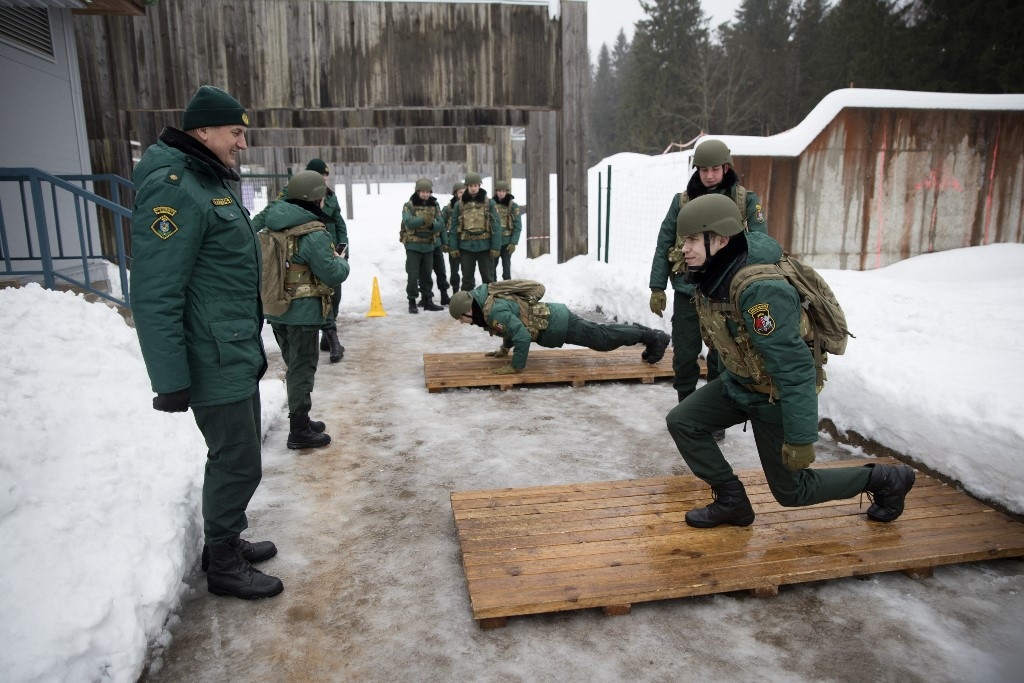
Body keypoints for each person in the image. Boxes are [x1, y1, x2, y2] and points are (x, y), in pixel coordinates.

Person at [664, 194, 915, 529]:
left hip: (775, 396)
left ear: (721, 240)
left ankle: (886, 479)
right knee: (684, 421)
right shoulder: (714, 272)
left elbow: (795, 369)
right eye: (685, 240)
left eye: (693, 239)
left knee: (794, 491)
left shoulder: (760, 291)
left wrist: (800, 439)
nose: (685, 248)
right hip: (741, 384)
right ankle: (732, 502)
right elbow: (728, 341)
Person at [130, 85, 282, 600]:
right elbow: (155, 291)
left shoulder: (205, 180)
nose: (242, 143)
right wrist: (170, 380)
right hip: (210, 354)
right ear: (203, 131)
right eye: (235, 133)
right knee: (236, 457)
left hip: (231, 348)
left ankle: (226, 539)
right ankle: (221, 562)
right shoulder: (175, 188)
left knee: (238, 456)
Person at [648, 138, 769, 441]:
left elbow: (759, 243)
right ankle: (687, 404)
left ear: (726, 167)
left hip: (726, 292)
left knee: (722, 354)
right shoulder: (682, 201)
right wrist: (657, 286)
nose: (710, 175)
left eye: (716, 169)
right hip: (688, 289)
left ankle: (715, 413)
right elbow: (665, 241)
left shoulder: (745, 201)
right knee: (685, 351)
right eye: (704, 169)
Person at [258, 171, 350, 449]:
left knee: (293, 362)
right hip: (303, 312)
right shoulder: (313, 233)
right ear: (316, 200)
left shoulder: (269, 221)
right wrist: (341, 261)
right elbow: (332, 273)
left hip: (275, 308)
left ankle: (302, 418)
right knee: (302, 367)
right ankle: (298, 430)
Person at [449, 285, 670, 374]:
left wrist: (515, 367)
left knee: (602, 340)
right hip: (554, 319)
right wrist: (504, 349)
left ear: (469, 310)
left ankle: (651, 336)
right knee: (601, 333)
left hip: (558, 324)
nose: (462, 322)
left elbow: (522, 337)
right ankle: (643, 333)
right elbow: (511, 327)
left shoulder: (493, 312)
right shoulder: (488, 308)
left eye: (461, 318)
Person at [306, 159, 349, 363]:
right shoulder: (299, 196)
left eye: (326, 175)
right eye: (321, 175)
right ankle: (333, 341)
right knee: (323, 298)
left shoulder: (331, 197)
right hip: (313, 254)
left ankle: (326, 337)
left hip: (332, 254)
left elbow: (339, 223)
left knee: (336, 296)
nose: (324, 178)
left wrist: (344, 247)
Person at [448, 171, 501, 291]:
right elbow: (454, 227)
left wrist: (496, 246)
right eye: (471, 186)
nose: (473, 188)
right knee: (467, 280)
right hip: (466, 247)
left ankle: (490, 306)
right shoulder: (459, 205)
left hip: (485, 246)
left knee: (488, 279)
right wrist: (454, 247)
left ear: (479, 186)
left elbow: (496, 226)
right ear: (467, 187)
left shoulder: (489, 203)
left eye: (475, 185)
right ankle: (467, 307)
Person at [401, 178, 445, 314]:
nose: (425, 194)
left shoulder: (434, 205)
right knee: (413, 275)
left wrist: (431, 225)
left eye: (428, 192)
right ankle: (412, 301)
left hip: (428, 246)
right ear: (418, 191)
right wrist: (423, 220)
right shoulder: (409, 205)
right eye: (423, 192)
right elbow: (408, 222)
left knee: (427, 275)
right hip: (413, 246)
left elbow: (441, 224)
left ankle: (428, 300)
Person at [492, 180, 522, 280]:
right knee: (491, 269)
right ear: (496, 191)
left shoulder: (512, 206)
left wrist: (513, 242)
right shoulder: (491, 204)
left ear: (507, 192)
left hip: (506, 242)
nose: (501, 193)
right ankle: (493, 289)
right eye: (499, 191)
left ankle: (507, 290)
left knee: (506, 270)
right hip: (494, 242)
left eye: (503, 191)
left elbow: (517, 226)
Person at [440, 181, 465, 293]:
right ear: (455, 193)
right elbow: (442, 227)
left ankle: (466, 293)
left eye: (465, 192)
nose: (463, 195)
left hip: (467, 243)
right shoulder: (448, 209)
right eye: (460, 192)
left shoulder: (470, 207)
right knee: (454, 270)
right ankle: (455, 291)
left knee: (467, 271)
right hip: (453, 244)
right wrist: (445, 242)